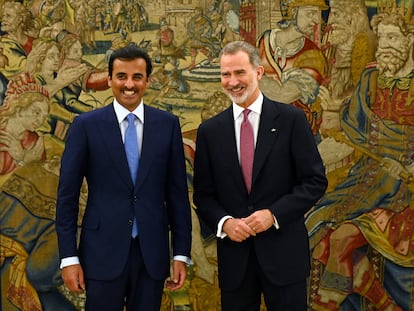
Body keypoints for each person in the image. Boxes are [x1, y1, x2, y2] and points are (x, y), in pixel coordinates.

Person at [55, 44, 192, 311]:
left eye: (137, 77)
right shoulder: (85, 126)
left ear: (147, 81)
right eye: (121, 77)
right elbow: (67, 197)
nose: (129, 84)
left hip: (151, 254)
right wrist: (69, 258)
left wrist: (180, 253)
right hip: (100, 253)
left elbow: (177, 195)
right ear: (109, 80)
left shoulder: (168, 125)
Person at [193, 40, 327, 310]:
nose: (232, 82)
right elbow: (204, 196)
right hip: (235, 262)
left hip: (285, 258)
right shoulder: (209, 131)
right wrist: (225, 223)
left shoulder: (291, 120)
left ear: (259, 72)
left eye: (240, 72)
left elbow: (314, 182)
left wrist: (273, 215)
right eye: (226, 74)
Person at [306, 4, 414, 310]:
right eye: (382, 39)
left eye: (393, 39)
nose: (386, 47)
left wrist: (407, 167)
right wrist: (330, 115)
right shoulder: (370, 78)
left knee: (340, 239)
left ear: (410, 41)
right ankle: (385, 305)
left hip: (404, 190)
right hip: (367, 177)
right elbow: (350, 129)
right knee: (317, 233)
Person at [256, 0, 328, 140]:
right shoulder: (264, 40)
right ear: (292, 12)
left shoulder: (314, 56)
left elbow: (282, 96)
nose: (316, 20)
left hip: (296, 135)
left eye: (318, 14)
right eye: (310, 13)